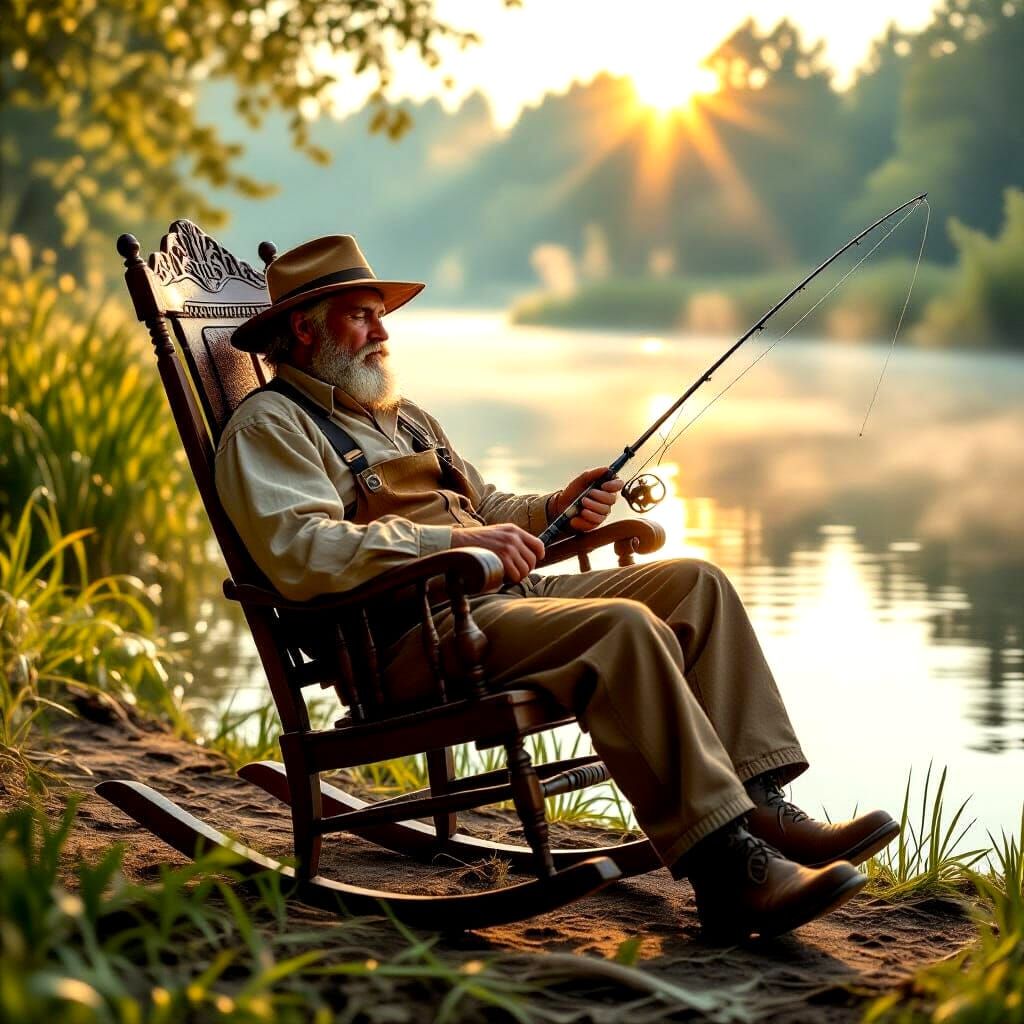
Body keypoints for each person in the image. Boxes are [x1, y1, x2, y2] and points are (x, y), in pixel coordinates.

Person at [216, 235, 899, 942]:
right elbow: (300, 551)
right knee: (621, 628)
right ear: (304, 328)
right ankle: (728, 871)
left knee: (698, 585)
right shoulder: (269, 427)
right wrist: (451, 543)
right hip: (410, 637)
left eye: (381, 315)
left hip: (494, 603)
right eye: (363, 315)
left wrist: (553, 506)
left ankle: (762, 805)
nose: (383, 331)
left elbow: (485, 507)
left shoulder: (403, 413)